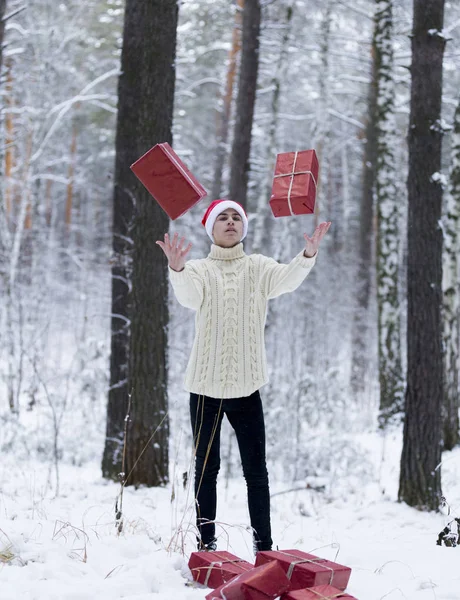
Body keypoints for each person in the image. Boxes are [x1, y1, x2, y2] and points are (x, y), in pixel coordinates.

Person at [156, 199, 331, 554]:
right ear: (211, 228)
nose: (231, 221)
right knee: (207, 469)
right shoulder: (200, 270)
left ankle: (263, 547)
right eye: (223, 217)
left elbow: (286, 280)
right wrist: (176, 269)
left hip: (247, 389)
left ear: (244, 228)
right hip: (205, 388)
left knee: (256, 472)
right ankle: (207, 545)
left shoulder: (258, 267)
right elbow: (189, 297)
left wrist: (307, 255)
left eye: (237, 217)